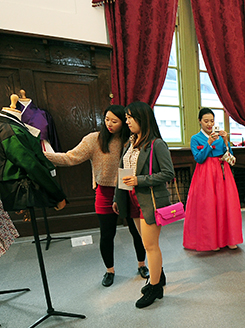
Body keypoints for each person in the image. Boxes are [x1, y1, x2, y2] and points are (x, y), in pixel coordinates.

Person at [44, 105, 148, 287]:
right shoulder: (94, 139)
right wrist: (46, 156)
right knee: (107, 234)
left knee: (137, 232)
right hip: (105, 192)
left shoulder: (130, 141)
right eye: (106, 119)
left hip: (128, 191)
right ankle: (109, 270)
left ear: (124, 122)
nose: (109, 124)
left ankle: (142, 264)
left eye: (114, 121)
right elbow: (71, 157)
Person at [112, 101, 175, 308]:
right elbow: (122, 172)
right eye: (127, 117)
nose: (127, 120)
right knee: (145, 243)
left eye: (131, 117)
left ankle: (155, 288)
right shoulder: (130, 142)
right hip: (131, 199)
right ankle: (159, 275)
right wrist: (117, 197)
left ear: (143, 118)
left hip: (149, 200)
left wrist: (140, 180)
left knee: (150, 245)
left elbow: (168, 173)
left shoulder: (157, 144)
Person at [183, 108, 243, 251]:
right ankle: (212, 240)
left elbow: (229, 154)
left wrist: (226, 140)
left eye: (212, 121)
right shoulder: (195, 138)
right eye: (206, 121)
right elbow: (199, 158)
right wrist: (209, 143)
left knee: (226, 203)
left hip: (223, 172)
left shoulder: (220, 136)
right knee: (209, 205)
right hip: (205, 174)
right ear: (200, 121)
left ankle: (229, 238)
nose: (209, 124)